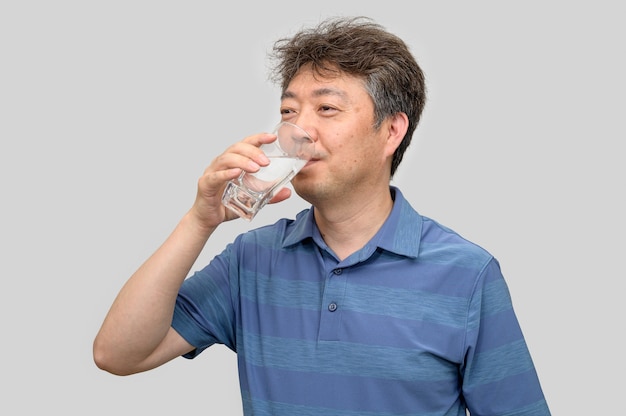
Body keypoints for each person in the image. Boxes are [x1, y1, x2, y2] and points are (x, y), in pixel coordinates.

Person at [93, 16, 551, 415]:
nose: (300, 131)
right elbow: (118, 354)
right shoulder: (252, 259)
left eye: (327, 109)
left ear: (392, 130)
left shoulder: (467, 273)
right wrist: (200, 220)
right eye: (288, 111)